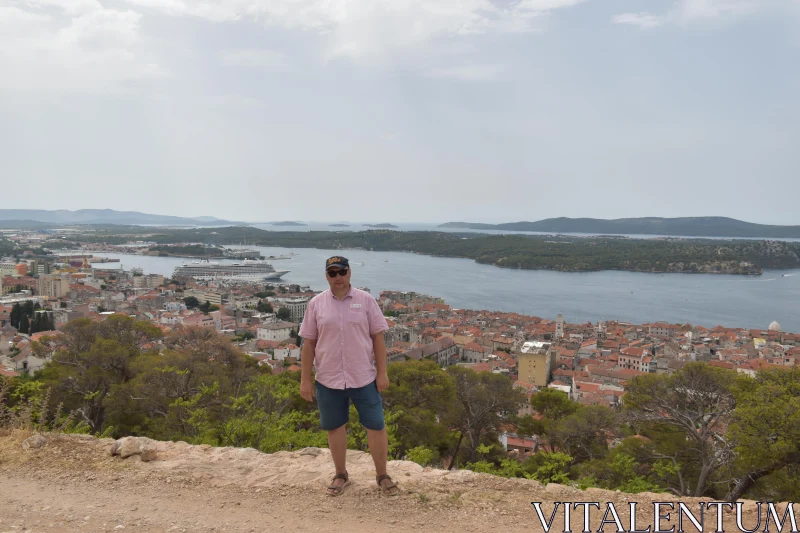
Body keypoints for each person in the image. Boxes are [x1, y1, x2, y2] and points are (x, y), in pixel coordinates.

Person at [298, 255, 399, 497]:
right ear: (326, 276)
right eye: (332, 273)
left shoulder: (366, 301)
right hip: (328, 378)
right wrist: (304, 380)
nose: (338, 277)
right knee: (335, 427)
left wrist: (382, 373)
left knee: (376, 426)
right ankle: (341, 474)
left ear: (350, 273)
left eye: (342, 272)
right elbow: (309, 344)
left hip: (363, 377)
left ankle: (382, 475)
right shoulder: (316, 304)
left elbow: (378, 338)